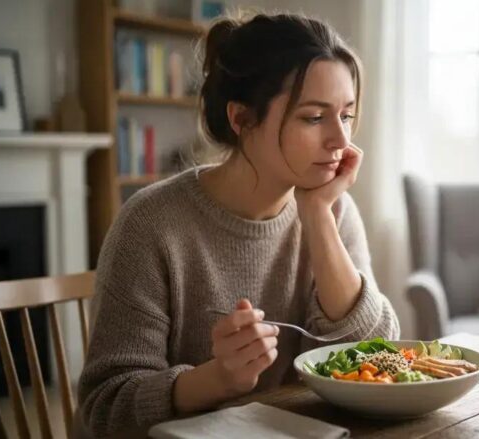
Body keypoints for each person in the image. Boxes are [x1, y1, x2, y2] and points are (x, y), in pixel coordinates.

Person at [77, 12, 400, 436]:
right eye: (314, 117)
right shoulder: (151, 224)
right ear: (241, 118)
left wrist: (318, 215)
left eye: (345, 116)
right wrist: (216, 379)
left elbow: (376, 358)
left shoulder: (335, 210)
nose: (341, 142)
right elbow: (104, 409)